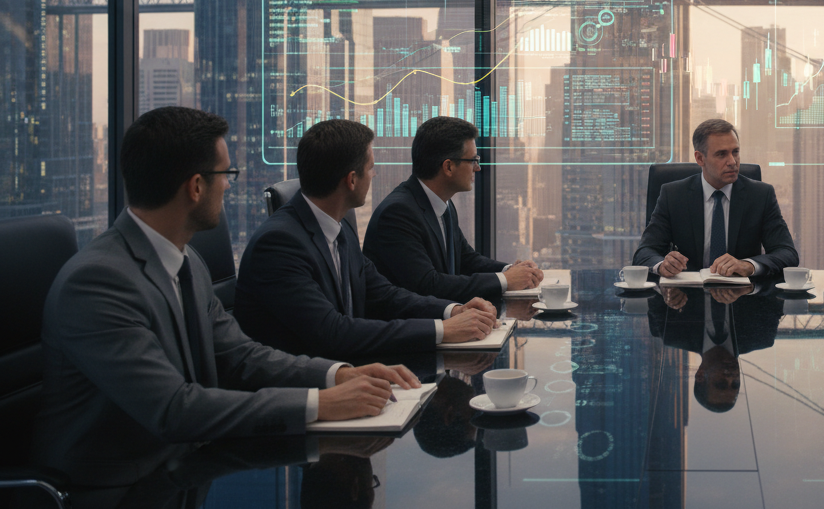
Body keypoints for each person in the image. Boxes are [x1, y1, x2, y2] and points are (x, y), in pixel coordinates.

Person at [35, 107, 419, 484]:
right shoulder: (98, 282)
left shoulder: (188, 262)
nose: (229, 186)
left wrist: (338, 375)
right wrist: (320, 404)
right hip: (123, 488)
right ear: (196, 186)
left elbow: (242, 355)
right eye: (227, 174)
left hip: (191, 468)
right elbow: (174, 409)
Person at [234, 119, 498, 359]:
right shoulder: (279, 244)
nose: (374, 175)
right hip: (304, 393)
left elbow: (385, 295)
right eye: (370, 168)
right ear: (351, 180)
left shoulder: (339, 228)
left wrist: (452, 311)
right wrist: (442, 330)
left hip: (351, 372)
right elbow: (332, 331)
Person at [364, 117, 543, 301]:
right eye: (473, 160)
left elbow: (466, 259)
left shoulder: (442, 204)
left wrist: (511, 271)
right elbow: (428, 285)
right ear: (448, 167)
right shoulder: (397, 213)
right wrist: (505, 280)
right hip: (413, 325)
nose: (478, 168)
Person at [633, 118, 799, 278]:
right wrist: (663, 265)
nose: (732, 161)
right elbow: (645, 252)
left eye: (735, 152)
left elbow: (787, 253)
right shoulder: (673, 195)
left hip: (744, 298)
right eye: (721, 154)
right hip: (687, 297)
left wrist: (748, 265)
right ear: (700, 158)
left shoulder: (761, 195)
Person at [649, 286, 784, 412]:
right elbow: (777, 288)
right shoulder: (761, 336)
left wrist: (667, 292)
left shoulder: (673, 334)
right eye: (735, 384)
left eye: (721, 383)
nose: (732, 377)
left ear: (700, 375)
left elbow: (653, 288)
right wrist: (753, 286)